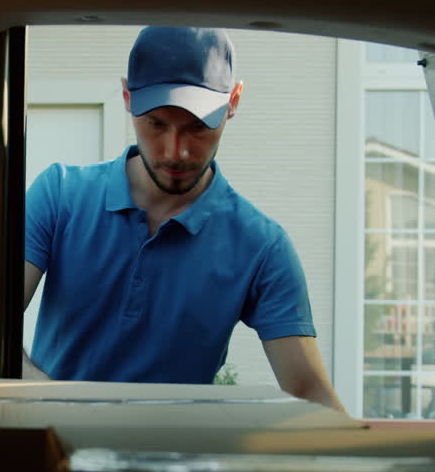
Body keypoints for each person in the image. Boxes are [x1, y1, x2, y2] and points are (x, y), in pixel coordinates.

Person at [23, 26, 345, 412]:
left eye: (198, 126)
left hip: (176, 466)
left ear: (234, 102)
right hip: (52, 449)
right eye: (156, 124)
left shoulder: (262, 247)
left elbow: (308, 393)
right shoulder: (59, 196)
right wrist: (51, 404)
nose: (176, 152)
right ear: (127, 97)